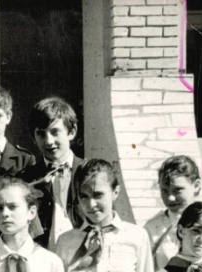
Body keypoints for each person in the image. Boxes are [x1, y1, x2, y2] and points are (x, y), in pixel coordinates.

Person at [16, 97, 133, 250]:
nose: (49, 141)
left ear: (71, 132)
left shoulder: (93, 174)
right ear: (33, 136)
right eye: (41, 134)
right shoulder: (25, 179)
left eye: (55, 132)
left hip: (83, 255)